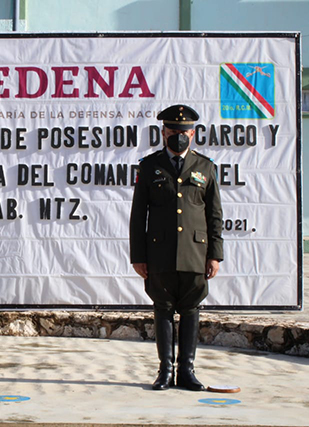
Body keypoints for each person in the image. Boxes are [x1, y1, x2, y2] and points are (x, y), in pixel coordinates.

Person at [129, 104, 223, 391]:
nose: (178, 136)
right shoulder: (150, 166)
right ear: (163, 133)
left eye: (183, 132)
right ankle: (165, 372)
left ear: (192, 134)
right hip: (159, 254)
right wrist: (138, 256)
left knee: (191, 310)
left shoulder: (205, 167)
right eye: (173, 131)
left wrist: (215, 255)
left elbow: (214, 215)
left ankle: (187, 372)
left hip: (195, 254)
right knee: (163, 309)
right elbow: (138, 215)